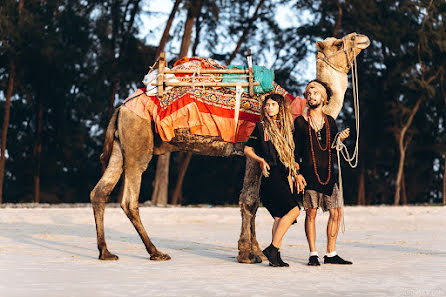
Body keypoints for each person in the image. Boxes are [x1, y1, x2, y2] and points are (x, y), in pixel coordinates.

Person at [293, 80, 352, 266]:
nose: (311, 96)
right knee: (311, 214)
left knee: (336, 213)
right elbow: (294, 153)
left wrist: (339, 139)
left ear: (323, 98)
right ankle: (313, 254)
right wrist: (297, 174)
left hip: (328, 174)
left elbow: (332, 149)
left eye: (315, 93)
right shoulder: (300, 122)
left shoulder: (330, 122)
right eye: (309, 93)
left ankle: (331, 253)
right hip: (308, 176)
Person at [244, 93, 306, 267]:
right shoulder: (261, 127)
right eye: (267, 105)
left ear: (280, 107)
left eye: (273, 104)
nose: (269, 107)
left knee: (279, 217)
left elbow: (291, 155)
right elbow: (248, 150)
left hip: (284, 174)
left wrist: (296, 174)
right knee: (294, 211)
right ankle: (272, 248)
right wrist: (261, 160)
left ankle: (275, 257)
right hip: (271, 175)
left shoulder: (287, 128)